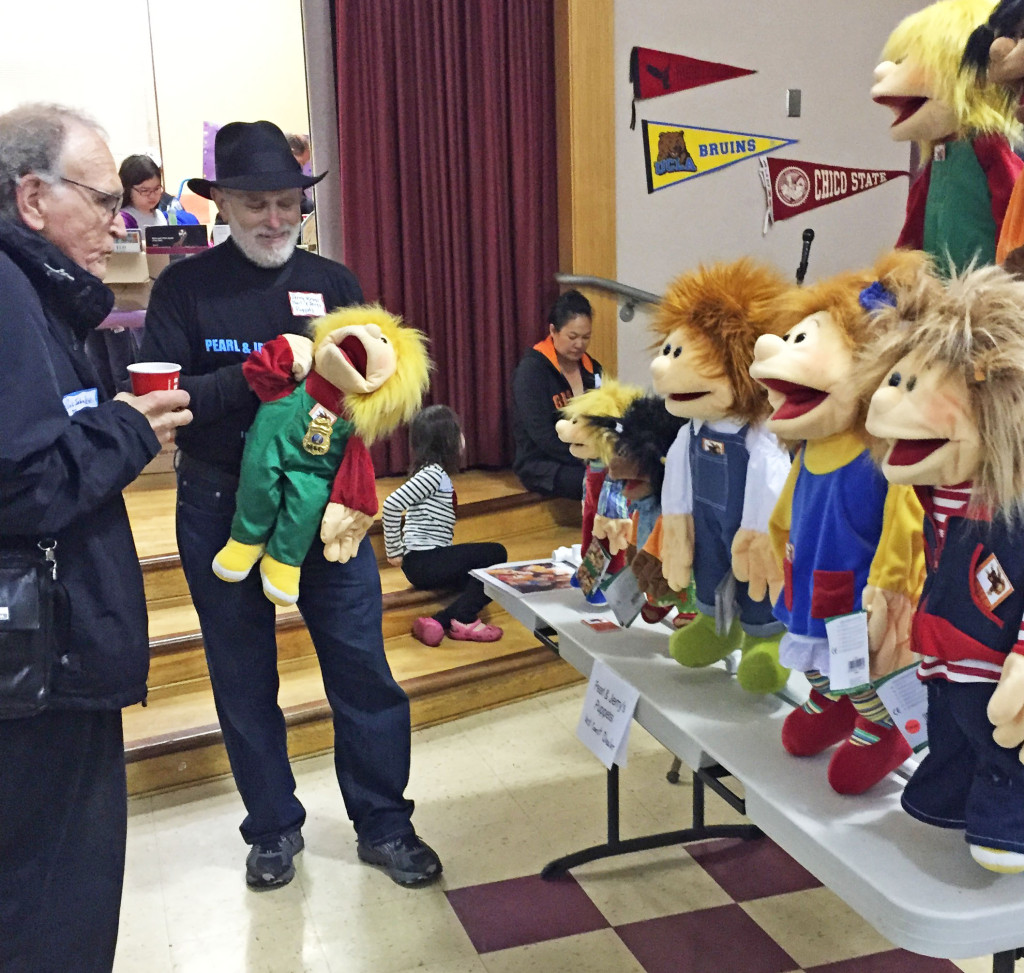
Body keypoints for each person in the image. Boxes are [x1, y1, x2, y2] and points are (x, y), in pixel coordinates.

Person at [139, 119, 442, 891]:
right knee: (242, 677)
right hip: (220, 505)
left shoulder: (334, 283)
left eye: (287, 204)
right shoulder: (184, 288)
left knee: (363, 668)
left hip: (327, 508)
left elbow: (376, 387)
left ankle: (385, 821)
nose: (275, 220)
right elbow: (168, 406)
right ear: (222, 204)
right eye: (256, 204)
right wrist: (266, 375)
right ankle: (272, 828)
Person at [0, 103, 192, 972]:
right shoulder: (7, 292)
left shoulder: (35, 293)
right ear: (33, 198)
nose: (121, 221)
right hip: (42, 671)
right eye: (102, 198)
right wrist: (128, 430)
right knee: (53, 903)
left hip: (47, 659)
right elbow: (26, 481)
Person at [382, 405, 508, 646]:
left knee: (479, 577)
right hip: (423, 561)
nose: (462, 436)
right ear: (446, 441)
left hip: (428, 561)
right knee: (497, 554)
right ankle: (463, 618)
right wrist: (394, 551)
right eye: (457, 431)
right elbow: (391, 504)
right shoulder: (432, 474)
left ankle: (441, 621)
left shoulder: (435, 474)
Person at [511, 288, 603, 499]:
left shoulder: (593, 369)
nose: (579, 344)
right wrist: (586, 458)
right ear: (553, 331)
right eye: (572, 336)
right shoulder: (531, 372)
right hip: (543, 464)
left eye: (586, 337)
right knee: (599, 482)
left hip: (587, 456)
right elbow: (542, 436)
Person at [117, 153, 192, 230]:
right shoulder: (124, 219)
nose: (152, 196)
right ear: (127, 189)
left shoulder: (160, 216)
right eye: (145, 191)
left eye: (156, 189)